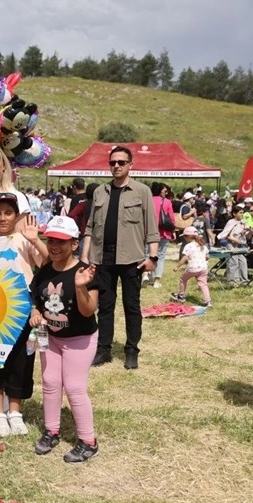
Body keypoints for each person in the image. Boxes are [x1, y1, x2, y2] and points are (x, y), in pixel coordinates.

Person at [31, 216, 102, 463]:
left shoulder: (86, 272)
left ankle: (88, 441)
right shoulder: (45, 270)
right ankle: (51, 431)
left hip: (79, 339)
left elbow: (88, 311)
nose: (54, 246)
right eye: (51, 240)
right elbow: (36, 298)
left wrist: (80, 287)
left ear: (74, 244)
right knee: (50, 382)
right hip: (50, 337)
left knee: (74, 387)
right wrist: (35, 312)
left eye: (61, 241)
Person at [81, 146, 158, 370]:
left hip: (132, 260)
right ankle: (104, 349)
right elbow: (90, 227)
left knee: (131, 307)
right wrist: (85, 257)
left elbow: (151, 228)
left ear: (130, 165)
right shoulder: (100, 192)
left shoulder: (142, 191)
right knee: (105, 307)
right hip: (102, 259)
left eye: (121, 162)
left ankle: (132, 351)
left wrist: (153, 257)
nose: (116, 166)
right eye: (112, 162)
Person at [0, 193, 46, 437]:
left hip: (23, 308)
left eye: (8, 213)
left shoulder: (24, 239)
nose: (2, 218)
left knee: (21, 359)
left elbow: (48, 262)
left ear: (16, 216)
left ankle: (15, 412)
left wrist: (36, 240)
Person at [144, 182, 175, 289]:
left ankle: (145, 274)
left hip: (148, 231)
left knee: (147, 254)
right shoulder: (167, 202)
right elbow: (171, 218)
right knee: (160, 256)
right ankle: (156, 281)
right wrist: (173, 230)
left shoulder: (148, 200)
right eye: (165, 191)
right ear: (160, 191)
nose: (166, 193)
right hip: (164, 232)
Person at [170, 227, 212, 307]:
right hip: (203, 268)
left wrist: (177, 267)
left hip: (192, 268)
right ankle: (208, 301)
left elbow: (184, 258)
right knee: (203, 284)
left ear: (188, 237)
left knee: (183, 279)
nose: (184, 238)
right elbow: (207, 256)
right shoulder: (202, 245)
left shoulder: (188, 246)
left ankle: (181, 296)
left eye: (184, 237)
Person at [217, 205, 249, 285]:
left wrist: (245, 231)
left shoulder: (243, 222)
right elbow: (226, 234)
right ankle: (232, 281)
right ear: (234, 214)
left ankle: (244, 281)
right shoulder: (231, 222)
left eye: (242, 213)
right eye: (240, 213)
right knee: (233, 262)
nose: (242, 214)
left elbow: (244, 233)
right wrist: (235, 240)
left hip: (241, 245)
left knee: (243, 261)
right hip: (231, 244)